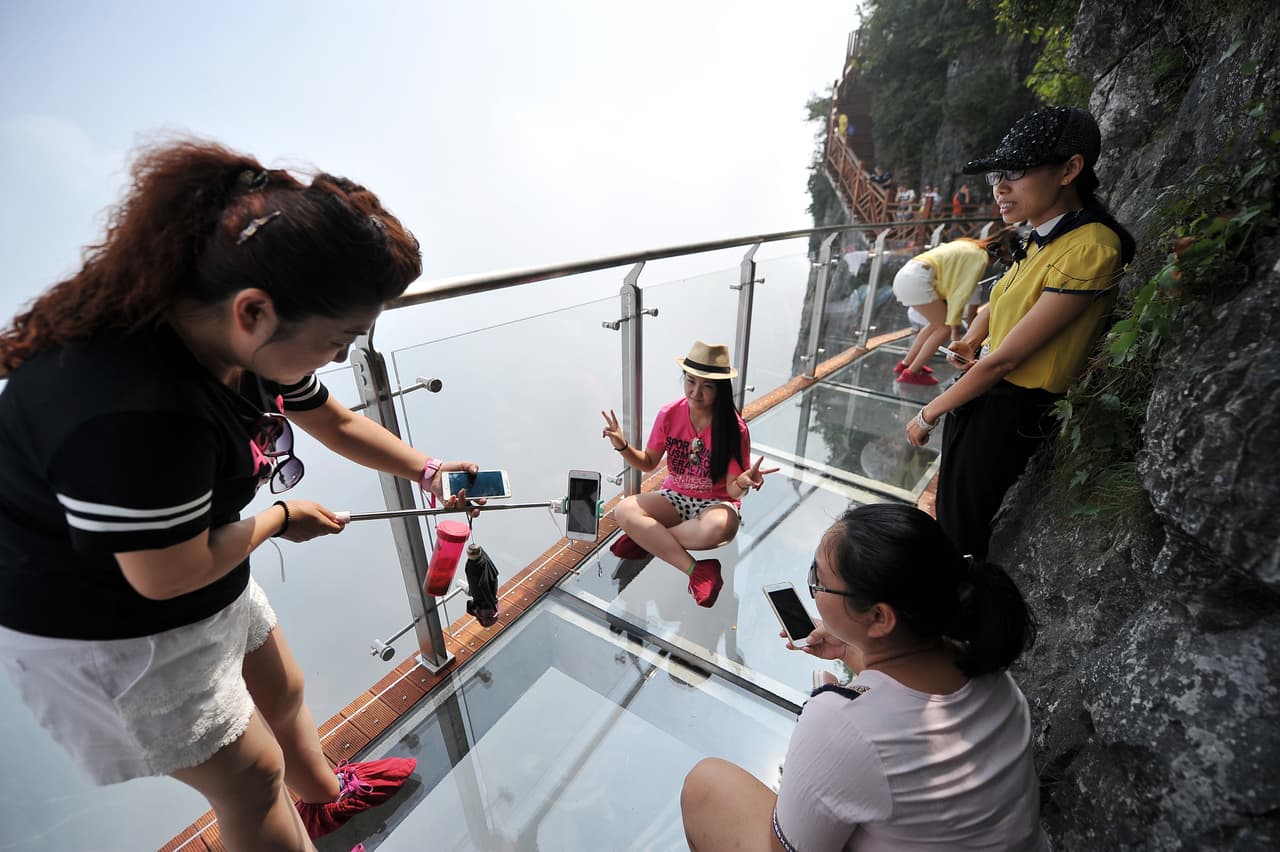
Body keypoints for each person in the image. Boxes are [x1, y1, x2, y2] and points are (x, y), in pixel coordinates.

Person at [0, 140, 482, 852]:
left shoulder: (231, 345)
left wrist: (428, 469)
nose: (342, 356)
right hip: (106, 622)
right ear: (254, 310)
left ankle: (319, 798)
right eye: (340, 338)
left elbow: (335, 421)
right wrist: (281, 518)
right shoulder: (131, 408)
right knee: (251, 777)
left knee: (281, 689)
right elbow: (163, 574)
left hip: (192, 558)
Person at [680, 504, 1049, 851]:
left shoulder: (841, 722)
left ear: (879, 618)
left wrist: (827, 707)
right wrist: (850, 651)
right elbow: (906, 695)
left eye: (819, 581)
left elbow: (789, 847)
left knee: (705, 783)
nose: (813, 590)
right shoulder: (988, 670)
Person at [905, 106, 1135, 558]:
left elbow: (1008, 360)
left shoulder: (1091, 247)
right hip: (986, 395)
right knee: (953, 512)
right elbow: (998, 303)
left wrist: (927, 413)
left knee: (962, 532)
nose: (1000, 187)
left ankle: (966, 619)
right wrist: (971, 339)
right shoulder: (1041, 237)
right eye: (996, 175)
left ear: (1070, 169)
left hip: (1013, 413)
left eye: (1016, 171)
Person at [600, 341, 777, 608]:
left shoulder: (734, 428)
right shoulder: (669, 414)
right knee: (624, 511)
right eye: (691, 381)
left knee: (720, 528)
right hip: (676, 497)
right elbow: (649, 463)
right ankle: (698, 571)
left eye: (707, 386)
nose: (696, 392)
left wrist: (743, 481)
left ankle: (648, 539)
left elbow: (732, 490)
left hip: (716, 503)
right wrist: (621, 445)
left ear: (720, 390)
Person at [890, 229, 1014, 385]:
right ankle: (912, 372)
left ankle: (906, 364)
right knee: (944, 328)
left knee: (935, 326)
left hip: (908, 274)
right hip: (919, 279)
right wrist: (954, 327)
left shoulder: (969, 244)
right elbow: (960, 293)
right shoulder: (979, 258)